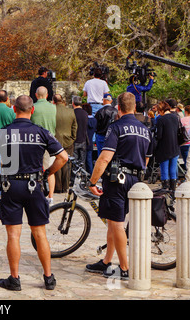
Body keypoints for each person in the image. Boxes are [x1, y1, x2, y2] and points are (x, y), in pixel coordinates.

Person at [0, 95, 68, 291]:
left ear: (14, 109)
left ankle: (14, 279)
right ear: (32, 110)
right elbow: (63, 157)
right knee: (40, 233)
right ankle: (48, 277)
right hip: (34, 184)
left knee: (13, 235)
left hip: (11, 185)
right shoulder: (41, 132)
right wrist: (48, 173)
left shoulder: (4, 132)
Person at [86, 92, 153, 280]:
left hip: (117, 180)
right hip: (135, 180)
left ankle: (124, 267)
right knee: (113, 222)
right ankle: (106, 260)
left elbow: (105, 157)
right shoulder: (145, 129)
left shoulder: (115, 127)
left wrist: (92, 181)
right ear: (134, 107)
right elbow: (147, 159)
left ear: (118, 108)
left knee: (116, 224)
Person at [30, 86, 57, 204]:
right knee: (50, 170)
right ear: (47, 95)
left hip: (35, 141)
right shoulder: (53, 108)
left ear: (36, 95)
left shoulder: (33, 108)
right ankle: (50, 196)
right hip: (50, 141)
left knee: (35, 169)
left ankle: (37, 194)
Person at [154, 101, 180, 191]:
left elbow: (159, 135)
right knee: (173, 170)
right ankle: (173, 190)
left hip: (164, 148)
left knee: (164, 170)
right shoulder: (175, 117)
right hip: (175, 147)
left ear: (161, 110)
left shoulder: (161, 119)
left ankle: (165, 189)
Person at [53, 94, 77, 193]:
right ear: (63, 101)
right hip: (68, 140)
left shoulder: (52, 111)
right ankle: (66, 185)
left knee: (56, 162)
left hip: (55, 140)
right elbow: (74, 127)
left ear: (53, 101)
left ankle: (58, 186)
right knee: (67, 163)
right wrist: (72, 138)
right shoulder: (71, 112)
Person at [72, 96, 88, 166]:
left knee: (74, 162)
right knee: (82, 162)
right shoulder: (85, 113)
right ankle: (82, 176)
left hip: (75, 140)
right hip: (83, 139)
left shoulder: (72, 113)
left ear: (73, 103)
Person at [82, 103, 97, 173]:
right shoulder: (94, 120)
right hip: (90, 141)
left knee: (82, 161)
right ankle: (91, 174)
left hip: (83, 142)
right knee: (89, 160)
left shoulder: (84, 120)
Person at [181, 105, 190, 171]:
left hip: (185, 143)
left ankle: (187, 174)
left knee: (186, 161)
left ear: (186, 111)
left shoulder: (182, 120)